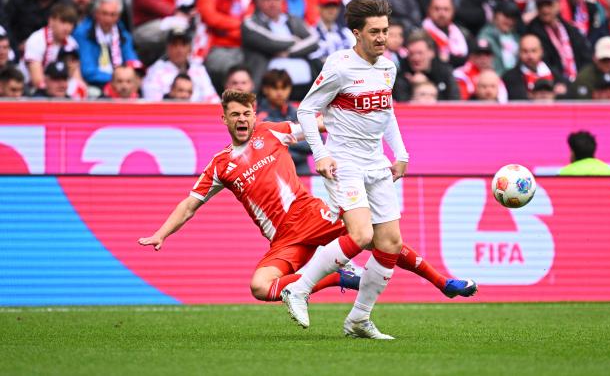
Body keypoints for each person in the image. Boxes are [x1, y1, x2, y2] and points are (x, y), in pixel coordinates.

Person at [138, 90, 476, 311]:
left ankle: (443, 282)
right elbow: (189, 204)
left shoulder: (271, 132)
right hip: (283, 239)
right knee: (259, 287)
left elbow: (318, 124)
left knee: (376, 237)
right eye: (235, 115)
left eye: (247, 113)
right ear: (223, 119)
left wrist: (353, 114)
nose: (242, 119)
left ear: (255, 115)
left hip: (310, 214)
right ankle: (336, 278)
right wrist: (162, 233)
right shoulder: (220, 165)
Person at [282, 0, 476, 340]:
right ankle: (298, 288)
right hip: (344, 163)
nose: (382, 37)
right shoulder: (340, 65)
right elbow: (306, 110)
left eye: (385, 31)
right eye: (374, 32)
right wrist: (322, 154)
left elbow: (387, 114)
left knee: (390, 243)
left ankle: (359, 319)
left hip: (376, 164)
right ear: (356, 33)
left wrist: (400, 152)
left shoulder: (388, 67)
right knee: (361, 235)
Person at [73, 0, 141, 90]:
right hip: (94, 84)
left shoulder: (123, 35)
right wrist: (117, 79)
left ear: (118, 16)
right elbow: (88, 71)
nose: (108, 19)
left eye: (113, 15)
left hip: (121, 84)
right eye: (104, 14)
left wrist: (133, 75)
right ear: (96, 13)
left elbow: (132, 61)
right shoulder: (83, 34)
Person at [257, 69, 312, 175]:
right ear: (265, 89)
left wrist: (284, 139)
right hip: (274, 172)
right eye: (275, 88)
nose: (280, 92)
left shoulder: (299, 112)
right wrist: (300, 137)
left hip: (302, 170)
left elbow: (317, 141)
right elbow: (267, 148)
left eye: (284, 87)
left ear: (290, 89)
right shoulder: (259, 116)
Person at [142, 28, 219, 102]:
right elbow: (152, 103)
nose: (179, 49)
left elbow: (213, 99)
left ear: (190, 48)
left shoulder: (199, 70)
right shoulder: (155, 71)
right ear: (168, 48)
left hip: (197, 114)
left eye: (183, 44)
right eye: (175, 45)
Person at [22, 3, 79, 91]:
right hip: (31, 89)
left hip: (60, 88)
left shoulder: (72, 43)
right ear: (51, 21)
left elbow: (76, 77)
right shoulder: (37, 40)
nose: (67, 28)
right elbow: (37, 80)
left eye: (70, 23)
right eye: (63, 22)